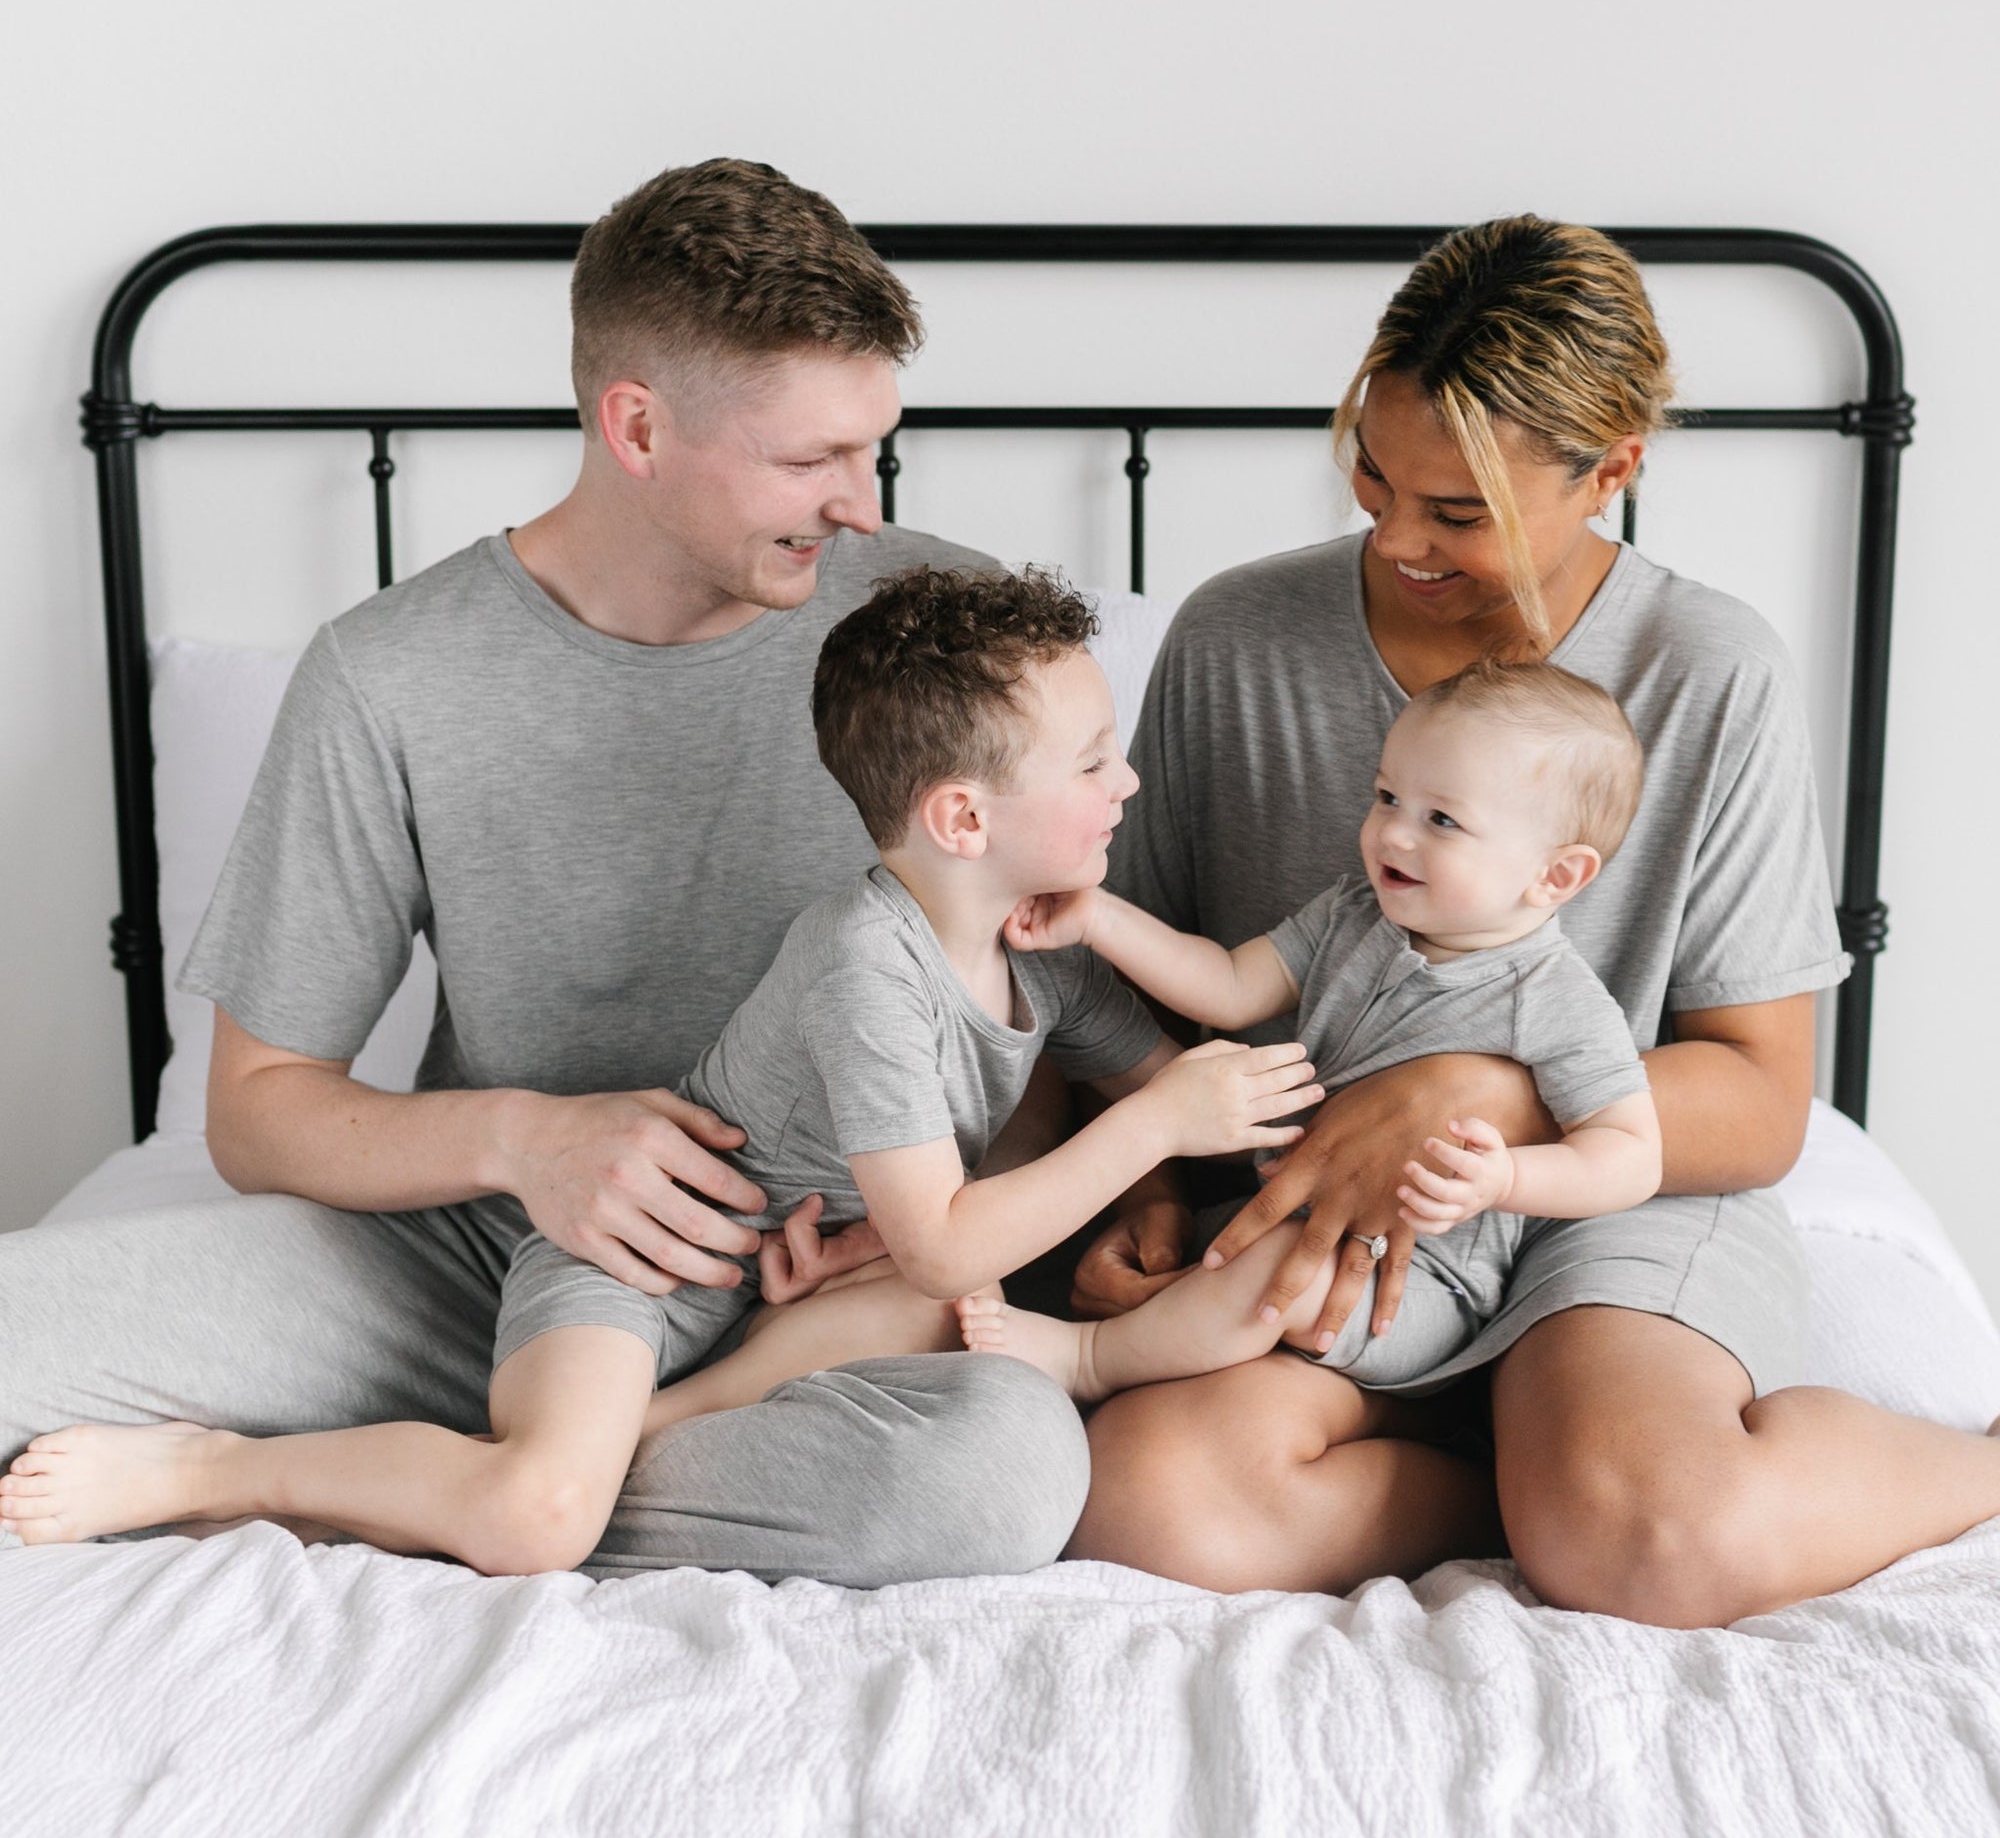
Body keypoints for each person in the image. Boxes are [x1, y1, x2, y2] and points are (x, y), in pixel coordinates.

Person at [0, 159, 1093, 1584]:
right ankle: (514, 1467)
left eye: (873, 446)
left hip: (819, 1292)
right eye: (809, 459)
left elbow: (1035, 1010)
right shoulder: (390, 675)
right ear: (635, 426)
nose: (861, 504)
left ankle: (477, 1486)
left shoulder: (941, 636)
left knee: (997, 1475)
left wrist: (921, 1237)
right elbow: (258, 1118)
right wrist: (532, 1143)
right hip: (471, 1273)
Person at [0, 568, 1323, 1568]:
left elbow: (1172, 1088)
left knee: (962, 1349)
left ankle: (586, 1440)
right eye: (1095, 763)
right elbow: (1018, 1193)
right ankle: (233, 1471)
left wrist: (1186, 1130)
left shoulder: (1047, 939)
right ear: (962, 815)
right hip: (644, 1260)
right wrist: (1155, 1128)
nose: (1129, 782)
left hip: (796, 1294)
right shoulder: (866, 962)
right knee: (536, 1520)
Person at [1067, 215, 2000, 1624]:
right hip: (1344, 1239)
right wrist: (1130, 1187)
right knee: (1153, 1503)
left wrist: (1471, 1098)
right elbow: (1131, 998)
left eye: (1460, 515)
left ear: (1614, 471)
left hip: (1605, 1200)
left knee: (1658, 1542)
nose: (1396, 537)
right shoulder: (1238, 640)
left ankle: (1963, 1470)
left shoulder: (1707, 671)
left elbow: (1758, 1097)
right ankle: (1529, 1475)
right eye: (1372, 478)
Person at [961, 656, 1662, 1404]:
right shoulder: (1353, 914)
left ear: (1555, 877)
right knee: (1210, 1254)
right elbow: (1229, 986)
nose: (1393, 834)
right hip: (1278, 1216)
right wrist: (1100, 916)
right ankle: (1140, 1336)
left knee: (1266, 1271)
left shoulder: (1555, 998)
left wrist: (1508, 1180)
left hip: (1417, 1285)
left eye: (1442, 820)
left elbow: (1631, 1154)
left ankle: (1087, 1359)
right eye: (1387, 796)